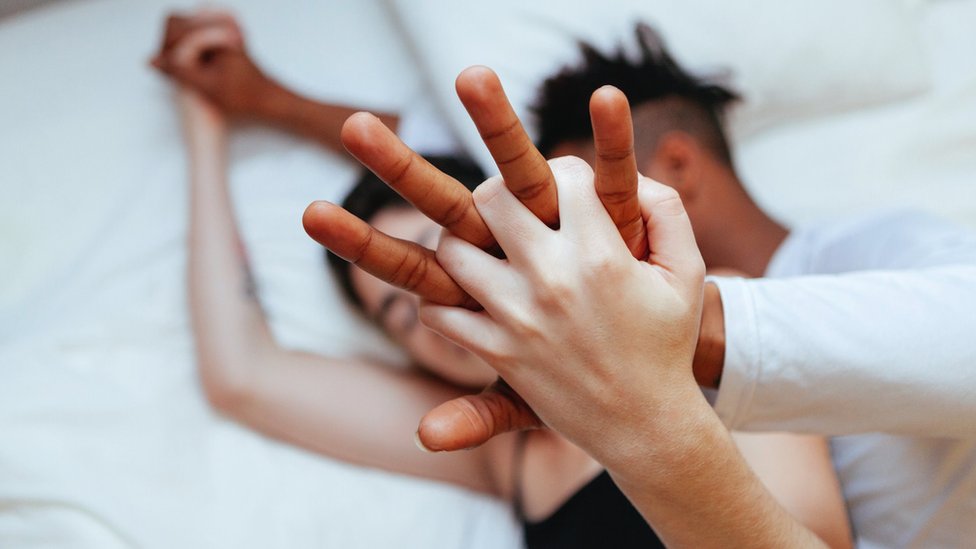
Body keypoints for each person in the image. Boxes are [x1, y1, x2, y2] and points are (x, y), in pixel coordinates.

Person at [156, 11, 853, 549]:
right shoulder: (502, 451)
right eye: (403, 314)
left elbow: (819, 535)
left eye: (441, 254)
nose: (436, 294)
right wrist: (202, 120)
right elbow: (242, 374)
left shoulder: (699, 313)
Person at [307, 24, 976, 549]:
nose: (573, 237)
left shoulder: (878, 255)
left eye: (590, 200)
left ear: (675, 165)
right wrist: (262, 100)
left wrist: (694, 336)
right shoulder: (585, 384)